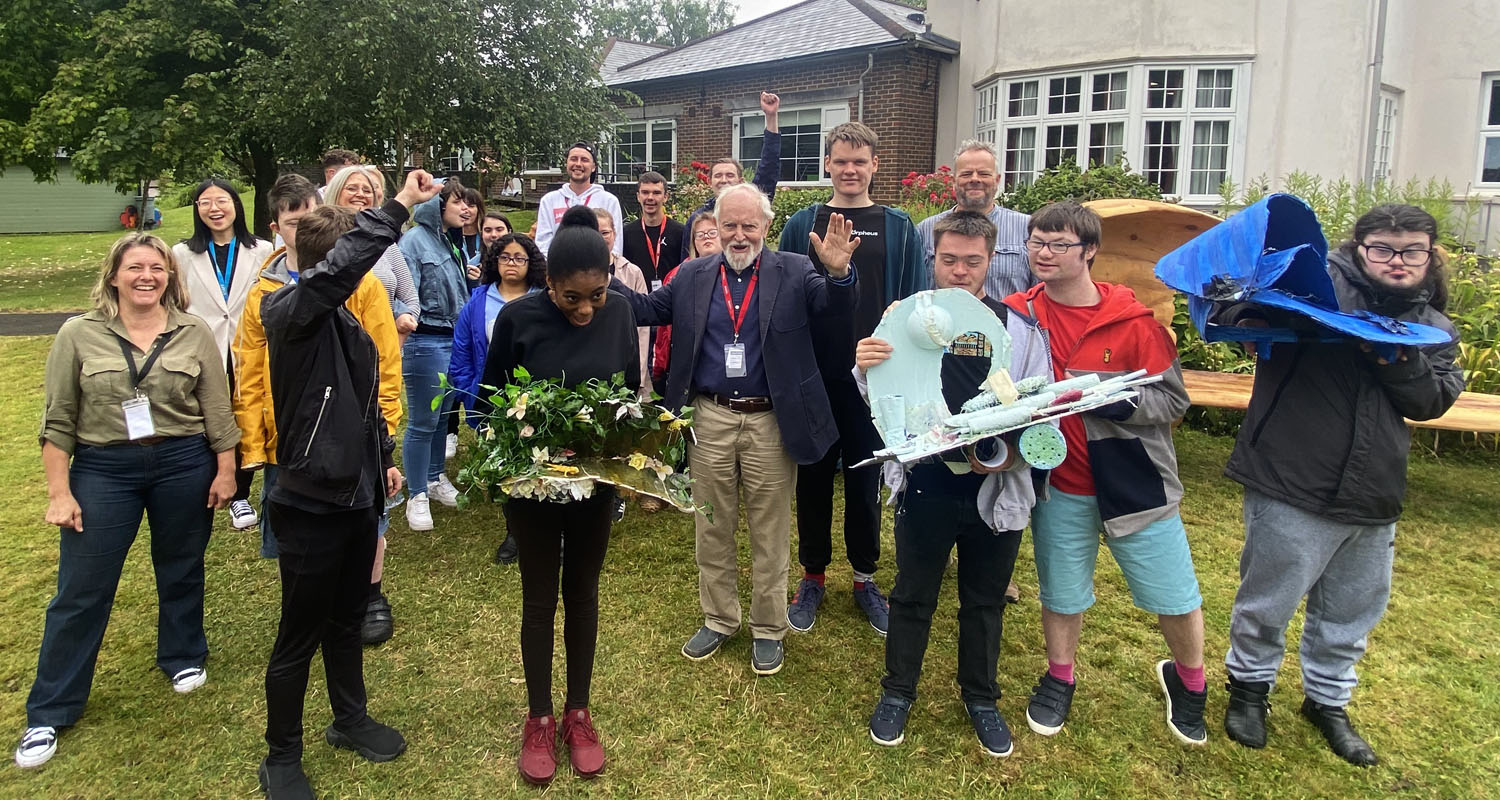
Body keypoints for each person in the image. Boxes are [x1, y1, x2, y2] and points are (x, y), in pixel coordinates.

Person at [1218, 205, 1463, 765]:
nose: (1397, 261)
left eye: (1411, 251)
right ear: (1360, 248)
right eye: (1383, 248)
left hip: (1374, 488)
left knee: (1351, 609)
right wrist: (1253, 324)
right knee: (1269, 597)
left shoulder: (1435, 326)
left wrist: (1398, 359)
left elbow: (1432, 401)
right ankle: (1250, 689)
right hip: (1292, 471)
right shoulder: (1313, 284)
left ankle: (1327, 701)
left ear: (1430, 256)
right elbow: (1232, 304)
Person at [611, 183, 859, 677]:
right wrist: (599, 268)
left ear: (766, 227)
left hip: (771, 420)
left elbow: (832, 311)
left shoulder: (794, 269)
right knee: (711, 524)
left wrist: (839, 273)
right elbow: (645, 310)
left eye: (750, 225)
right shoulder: (694, 275)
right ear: (715, 228)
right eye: (730, 225)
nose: (740, 235)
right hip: (711, 417)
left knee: (770, 531)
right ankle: (719, 618)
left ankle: (769, 628)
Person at [17, 233, 240, 769]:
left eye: (157, 267)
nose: (147, 276)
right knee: (82, 588)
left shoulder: (192, 332)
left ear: (170, 276)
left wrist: (226, 471)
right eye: (135, 267)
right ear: (113, 275)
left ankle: (183, 654)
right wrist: (59, 492)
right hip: (104, 468)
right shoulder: (78, 334)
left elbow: (217, 408)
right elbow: (57, 420)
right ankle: (51, 707)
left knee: (182, 567)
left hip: (183, 462)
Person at [256, 170, 440, 799]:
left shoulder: (349, 324)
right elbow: (339, 271)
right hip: (309, 501)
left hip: (360, 494)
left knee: (347, 616)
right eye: (355, 265)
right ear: (326, 265)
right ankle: (281, 754)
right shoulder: (288, 311)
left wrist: (382, 457)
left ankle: (349, 719)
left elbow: (356, 404)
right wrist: (400, 206)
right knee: (298, 633)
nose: (365, 275)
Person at [1001, 202, 1208, 746]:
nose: (1044, 254)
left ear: (1090, 251)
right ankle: (1059, 676)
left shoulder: (1135, 324)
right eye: (1036, 243)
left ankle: (1190, 682)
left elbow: (1172, 399)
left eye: (1058, 245)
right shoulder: (1016, 314)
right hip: (1056, 484)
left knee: (1173, 594)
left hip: (1136, 483)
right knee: (1061, 591)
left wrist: (1118, 405)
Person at [855, 211, 1051, 758]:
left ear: (990, 261)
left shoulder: (1018, 328)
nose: (960, 271)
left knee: (984, 600)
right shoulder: (903, 320)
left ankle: (982, 698)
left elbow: (1045, 402)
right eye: (948, 260)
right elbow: (881, 398)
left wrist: (1008, 446)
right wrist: (864, 364)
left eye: (972, 261)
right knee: (913, 594)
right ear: (932, 260)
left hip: (996, 486)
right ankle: (897, 693)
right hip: (928, 483)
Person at [478, 206, 641, 786]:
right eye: (573, 297)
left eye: (596, 294)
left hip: (594, 487)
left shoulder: (619, 313)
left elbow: (626, 393)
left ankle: (579, 710)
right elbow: (490, 405)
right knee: (541, 597)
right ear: (549, 282)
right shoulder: (518, 319)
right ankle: (540, 717)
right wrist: (524, 455)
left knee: (584, 591)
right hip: (533, 489)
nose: (586, 308)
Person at [233, 172, 406, 647]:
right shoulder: (265, 294)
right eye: (292, 222)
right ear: (278, 227)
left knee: (366, 524)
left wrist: (383, 435)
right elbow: (250, 368)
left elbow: (383, 363)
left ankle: (369, 595)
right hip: (292, 436)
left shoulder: (365, 288)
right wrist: (255, 437)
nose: (301, 229)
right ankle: (305, 607)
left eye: (309, 218)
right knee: (301, 538)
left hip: (353, 437)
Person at [778, 121, 924, 637]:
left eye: (859, 161)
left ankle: (865, 579)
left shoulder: (898, 225)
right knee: (814, 477)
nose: (849, 169)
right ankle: (812, 576)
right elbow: (785, 295)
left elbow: (916, 300)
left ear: (874, 165)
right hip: (816, 372)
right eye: (840, 160)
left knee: (865, 478)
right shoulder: (803, 223)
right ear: (827, 165)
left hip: (877, 376)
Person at [172, 179, 272, 531]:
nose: (215, 209)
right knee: (207, 416)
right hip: (203, 348)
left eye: (222, 201)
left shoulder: (261, 249)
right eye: (205, 203)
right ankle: (207, 479)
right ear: (197, 210)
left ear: (236, 205)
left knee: (244, 415)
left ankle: (240, 494)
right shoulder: (182, 254)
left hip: (248, 347)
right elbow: (175, 302)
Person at [450, 230, 545, 564]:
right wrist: (471, 394)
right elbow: (461, 355)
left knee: (542, 462)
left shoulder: (544, 299)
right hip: (492, 401)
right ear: (495, 261)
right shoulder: (477, 303)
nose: (512, 264)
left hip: (538, 401)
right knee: (506, 468)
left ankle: (550, 532)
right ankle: (514, 532)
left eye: (520, 258)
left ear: (531, 263)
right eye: (505, 257)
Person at [397, 179, 475, 531]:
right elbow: (402, 289)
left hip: (452, 338)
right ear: (436, 205)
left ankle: (434, 477)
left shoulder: (450, 241)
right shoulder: (413, 241)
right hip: (425, 340)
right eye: (457, 202)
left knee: (443, 417)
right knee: (422, 422)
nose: (465, 208)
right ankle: (416, 495)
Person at [916, 140, 1035, 299]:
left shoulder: (1026, 228)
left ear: (997, 180)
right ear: (953, 181)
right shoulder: (926, 229)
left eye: (984, 173)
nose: (975, 179)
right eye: (966, 174)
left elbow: (1041, 291)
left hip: (1007, 323)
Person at [680, 91, 783, 260]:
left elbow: (769, 167)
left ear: (740, 181)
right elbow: (686, 259)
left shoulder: (752, 204)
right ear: (709, 182)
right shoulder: (698, 218)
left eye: (729, 175)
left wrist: (771, 117)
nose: (724, 180)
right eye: (718, 175)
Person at [325, 166, 420, 341]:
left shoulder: (387, 245)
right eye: (352, 188)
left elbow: (411, 299)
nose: (360, 194)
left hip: (384, 352)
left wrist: (396, 340)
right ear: (335, 192)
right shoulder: (322, 240)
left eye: (367, 190)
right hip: (336, 349)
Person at [649, 214, 721, 407]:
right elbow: (664, 329)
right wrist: (660, 368)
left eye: (712, 233)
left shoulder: (734, 274)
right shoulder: (679, 274)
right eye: (700, 234)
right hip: (684, 371)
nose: (706, 237)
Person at [594, 207, 652, 400]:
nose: (600, 238)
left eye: (605, 233)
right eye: (594, 233)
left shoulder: (632, 272)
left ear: (614, 234)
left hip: (626, 359)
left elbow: (643, 328)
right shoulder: (575, 274)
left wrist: (640, 373)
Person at [535, 143, 623, 257]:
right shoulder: (549, 201)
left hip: (596, 271)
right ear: (567, 163)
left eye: (584, 160)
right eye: (573, 159)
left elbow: (616, 246)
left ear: (593, 167)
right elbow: (542, 244)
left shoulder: (609, 201)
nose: (578, 164)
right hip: (559, 271)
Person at [621, 171, 683, 289]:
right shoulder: (627, 233)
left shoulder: (680, 232)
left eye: (656, 193)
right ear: (638, 196)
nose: (650, 197)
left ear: (665, 197)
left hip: (671, 300)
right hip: (639, 299)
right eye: (645, 192)